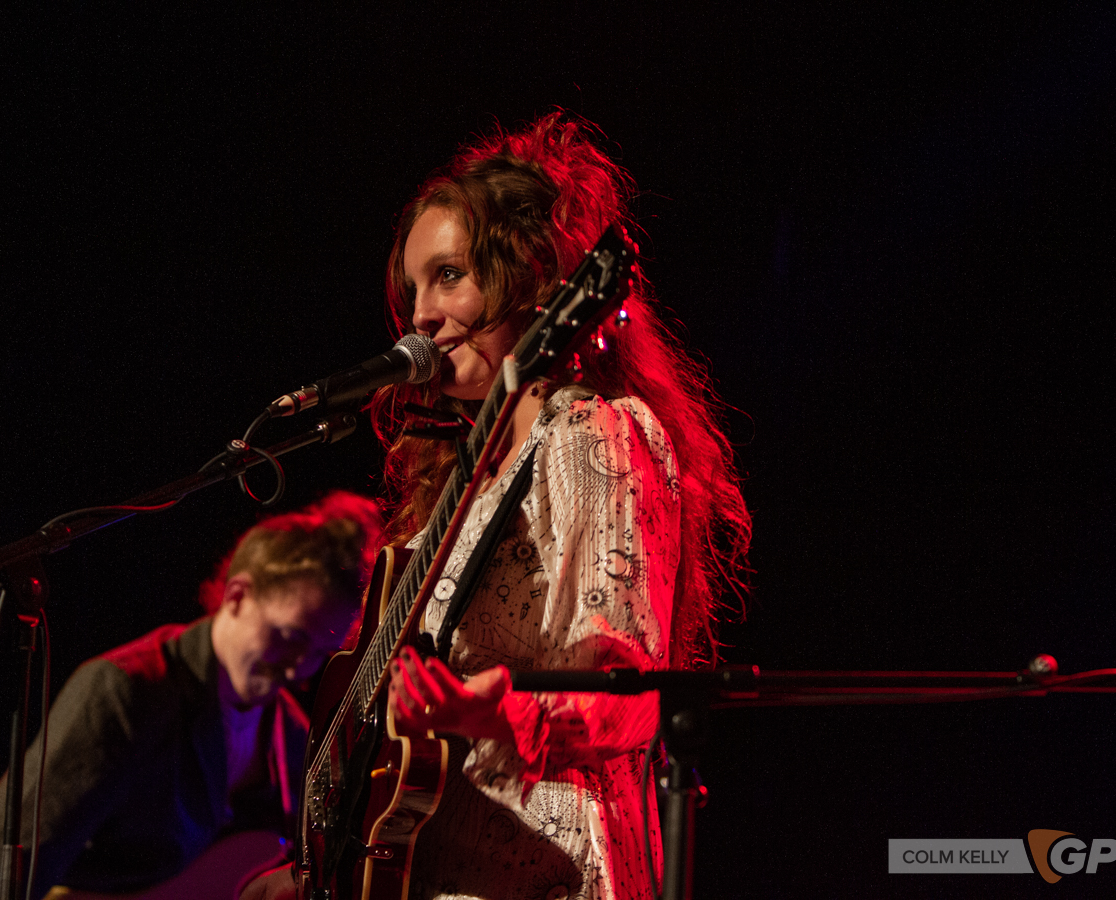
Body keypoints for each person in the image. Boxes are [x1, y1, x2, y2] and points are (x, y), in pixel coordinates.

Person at [248, 114, 752, 900]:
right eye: (413, 287)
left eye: (449, 275)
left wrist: (501, 711)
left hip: (549, 869)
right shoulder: (461, 478)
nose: (419, 315)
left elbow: (633, 701)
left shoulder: (591, 436)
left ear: (532, 276)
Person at [0, 491, 383, 900]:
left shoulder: (289, 732)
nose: (296, 668)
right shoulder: (127, 692)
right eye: (287, 637)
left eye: (318, 653)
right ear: (238, 596)